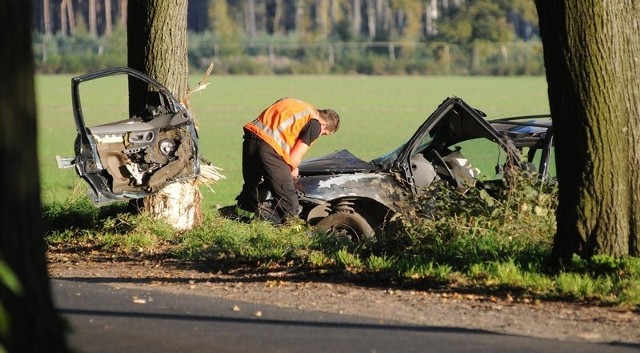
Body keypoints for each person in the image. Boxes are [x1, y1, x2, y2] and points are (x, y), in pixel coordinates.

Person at [235, 97, 340, 223]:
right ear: (325, 125)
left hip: (251, 140)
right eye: (324, 133)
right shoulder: (315, 124)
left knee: (251, 187)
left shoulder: (296, 104)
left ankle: (239, 221)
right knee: (289, 200)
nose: (320, 135)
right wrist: (293, 169)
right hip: (270, 149)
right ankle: (290, 234)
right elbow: (295, 157)